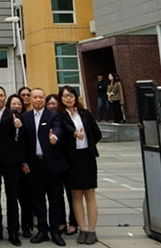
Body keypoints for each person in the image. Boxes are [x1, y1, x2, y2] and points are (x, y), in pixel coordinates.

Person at [20, 88, 67, 247]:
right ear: (31, 99)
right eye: (35, 97)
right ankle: (42, 230)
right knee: (38, 199)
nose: (38, 100)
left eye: (41, 97)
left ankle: (55, 231)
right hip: (33, 165)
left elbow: (58, 129)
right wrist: (24, 162)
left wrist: (55, 137)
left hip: (51, 164)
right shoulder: (25, 117)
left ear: (44, 99)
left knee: (54, 199)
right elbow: (23, 142)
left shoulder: (53, 115)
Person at [58, 86, 102, 246]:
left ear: (75, 97)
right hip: (71, 159)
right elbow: (64, 130)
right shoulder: (60, 116)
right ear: (61, 99)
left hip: (87, 158)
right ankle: (82, 229)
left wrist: (87, 144)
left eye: (71, 95)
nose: (68, 98)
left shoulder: (85, 114)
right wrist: (75, 134)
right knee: (76, 195)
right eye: (65, 96)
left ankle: (92, 230)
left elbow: (97, 134)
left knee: (90, 194)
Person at [0, 86, 24, 246]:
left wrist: (18, 127)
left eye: (1, 95)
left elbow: (20, 134)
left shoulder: (13, 114)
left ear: (5, 97)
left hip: (10, 161)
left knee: (12, 197)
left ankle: (13, 231)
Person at [45, 94, 76, 238]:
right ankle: (61, 221)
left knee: (71, 194)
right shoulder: (47, 119)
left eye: (54, 103)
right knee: (57, 195)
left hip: (69, 162)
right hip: (54, 163)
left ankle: (73, 222)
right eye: (49, 104)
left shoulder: (65, 118)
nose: (51, 106)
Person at [15, 86, 34, 238]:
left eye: (19, 104)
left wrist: (24, 161)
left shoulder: (27, 118)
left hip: (26, 162)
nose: (17, 106)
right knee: (13, 196)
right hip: (10, 163)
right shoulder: (6, 119)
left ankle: (27, 224)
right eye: (13, 104)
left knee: (26, 196)